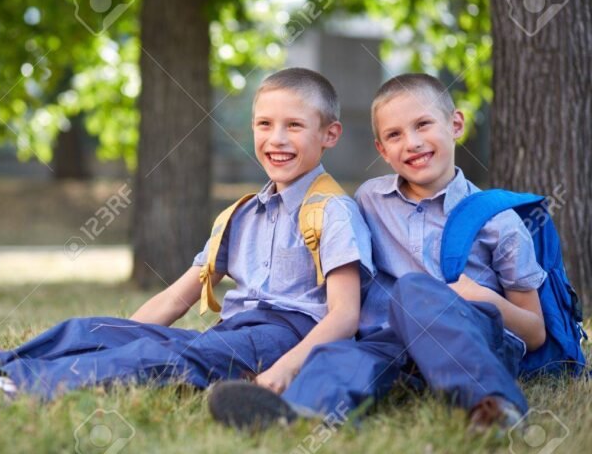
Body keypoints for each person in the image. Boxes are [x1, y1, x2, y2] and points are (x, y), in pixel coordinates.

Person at [0, 67, 374, 403]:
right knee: (90, 328)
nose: (275, 139)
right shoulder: (241, 214)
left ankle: (4, 388)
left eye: (293, 126)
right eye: (264, 124)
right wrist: (121, 329)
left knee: (153, 363)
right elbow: (178, 295)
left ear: (329, 135)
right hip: (233, 334)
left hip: (279, 338)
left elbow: (344, 316)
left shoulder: (333, 212)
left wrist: (282, 371)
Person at [208, 73, 546, 433]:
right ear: (382, 150)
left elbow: (535, 331)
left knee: (413, 290)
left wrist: (482, 297)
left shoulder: (499, 221)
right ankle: (297, 415)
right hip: (393, 343)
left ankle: (495, 408)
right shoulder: (370, 199)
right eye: (394, 135)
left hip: (470, 337)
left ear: (455, 124)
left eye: (423, 125)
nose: (412, 143)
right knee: (341, 355)